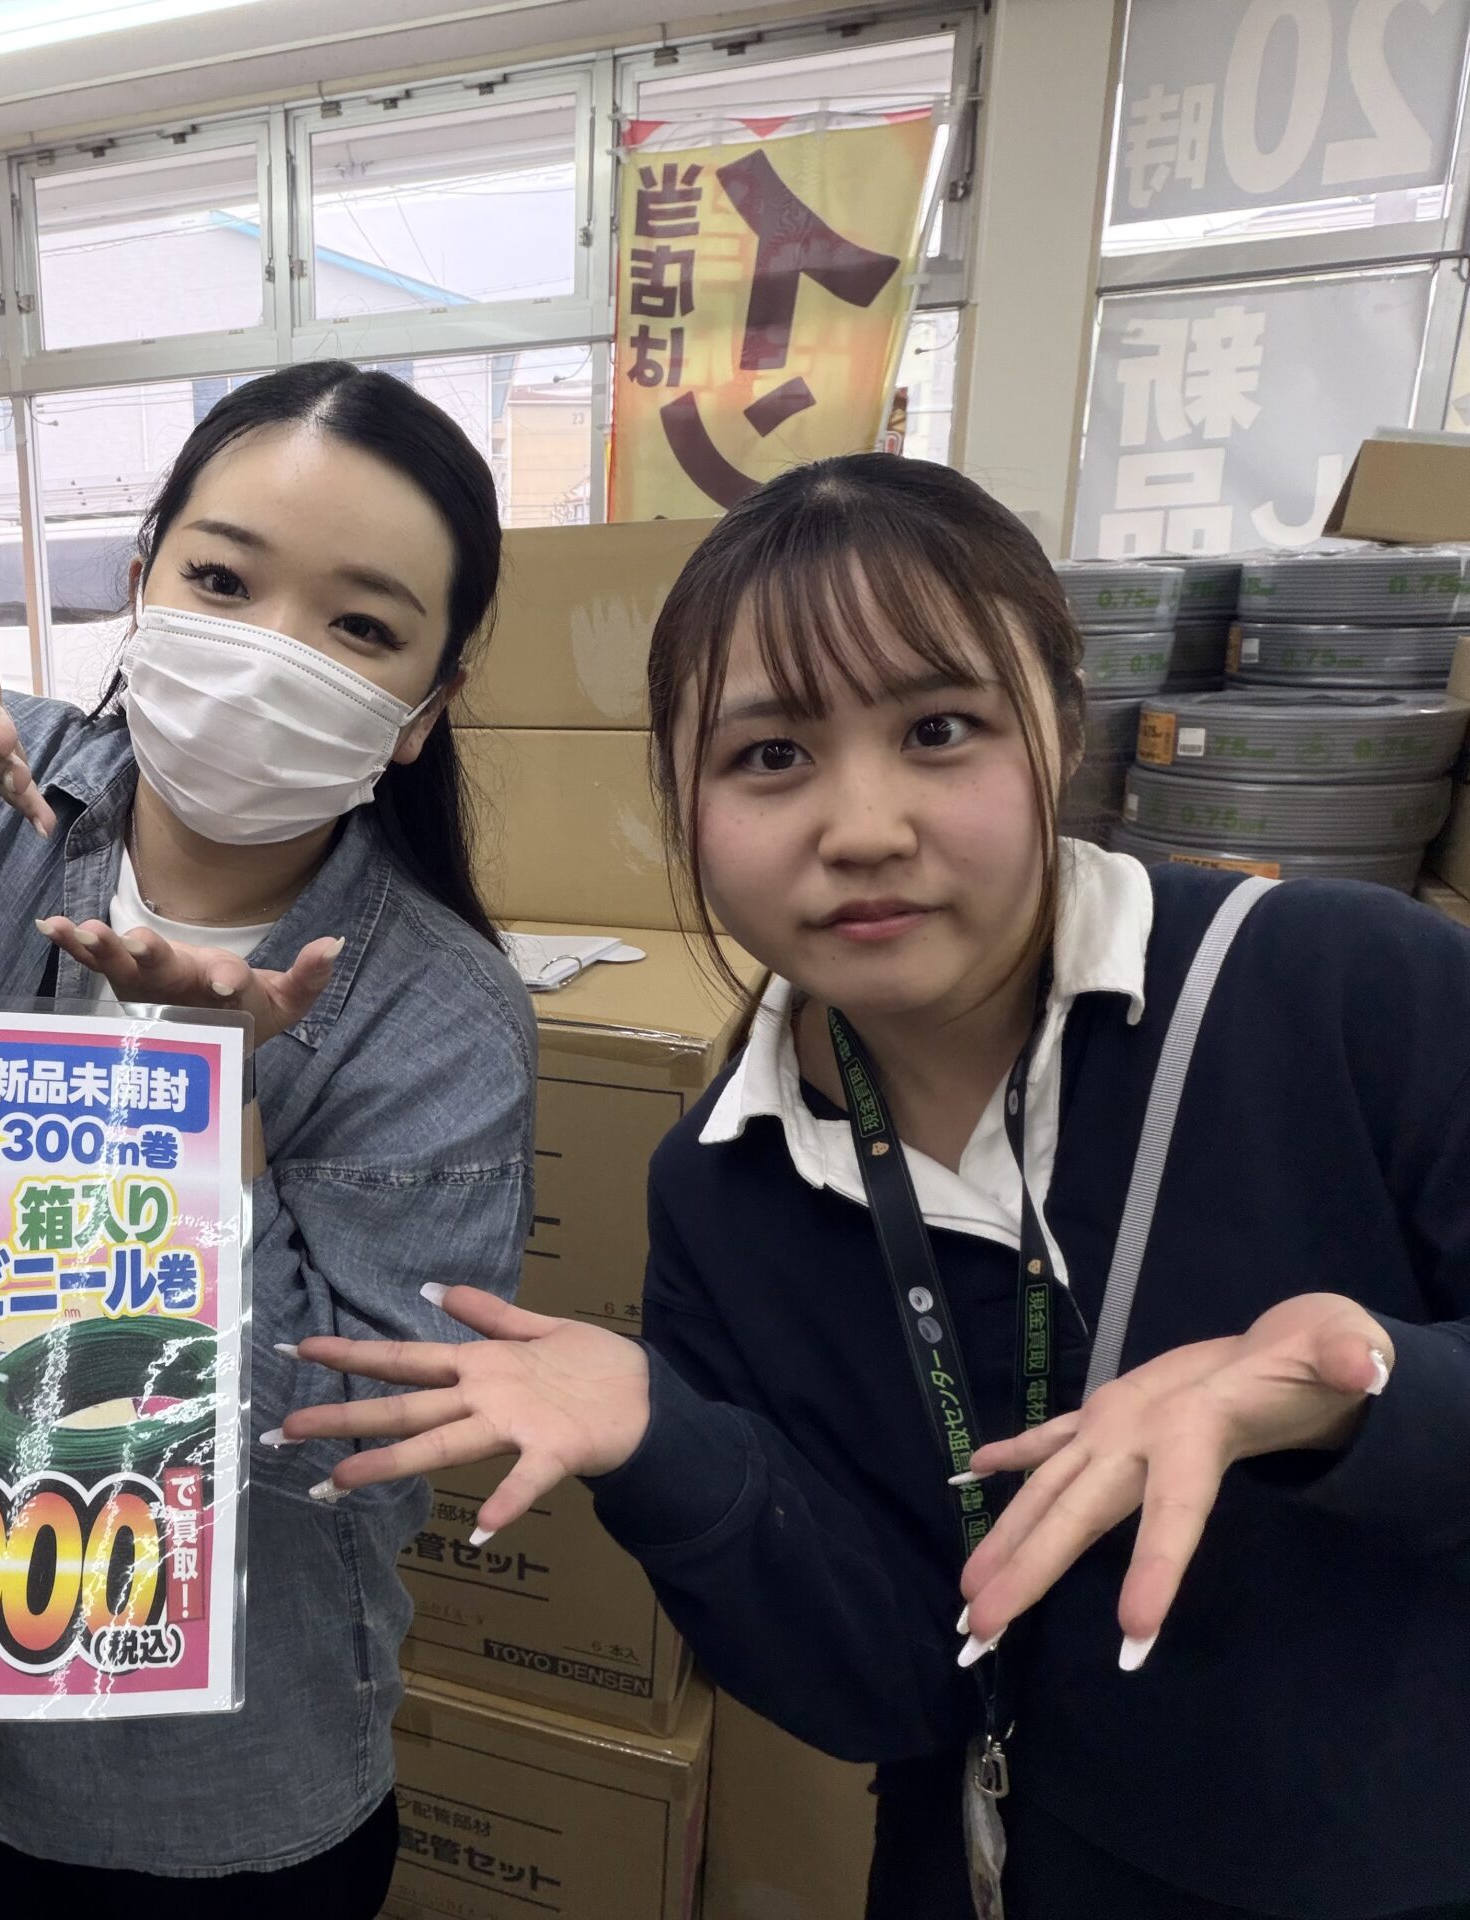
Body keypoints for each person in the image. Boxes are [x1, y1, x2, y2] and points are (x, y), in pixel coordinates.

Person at [278, 455, 1470, 1920]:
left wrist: (1365, 1397)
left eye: (938, 730)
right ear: (682, 800)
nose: (861, 826)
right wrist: (666, 1442)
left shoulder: (1348, 992)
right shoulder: (727, 1182)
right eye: (770, 755)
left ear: (1060, 723)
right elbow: (885, 1688)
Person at [0, 361, 538, 1914]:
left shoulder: (442, 1016)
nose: (266, 654)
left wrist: (202, 1111)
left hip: (205, 1787)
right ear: (141, 582)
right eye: (225, 582)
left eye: (358, 626)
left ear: (423, 710)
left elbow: (349, 1455)